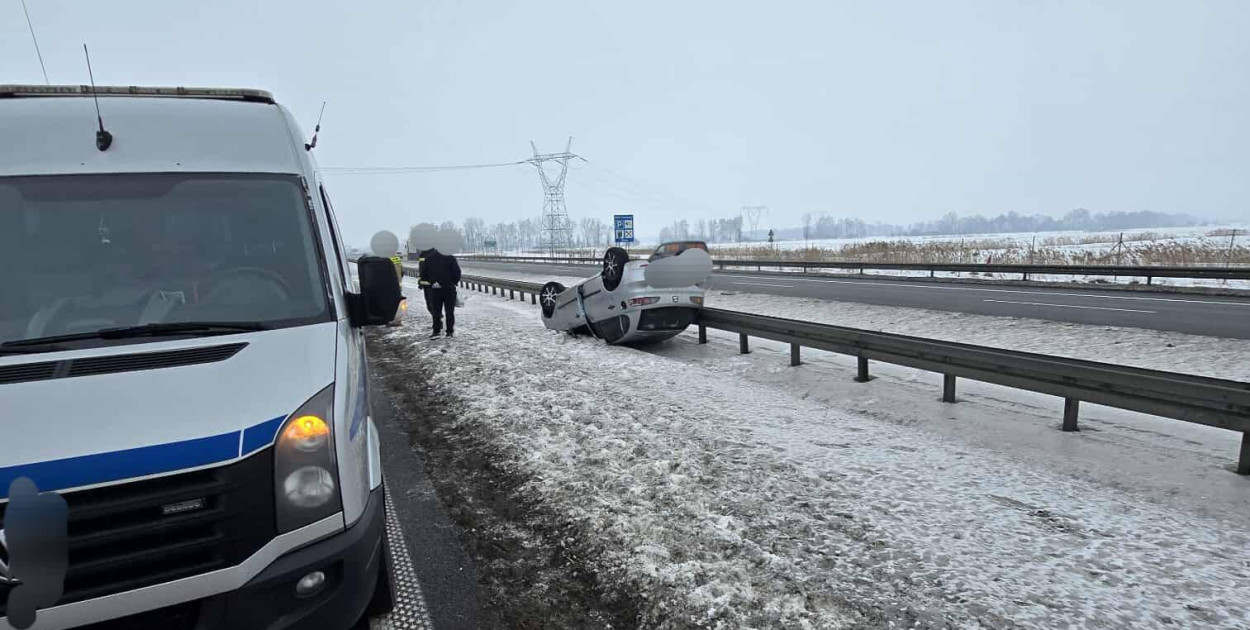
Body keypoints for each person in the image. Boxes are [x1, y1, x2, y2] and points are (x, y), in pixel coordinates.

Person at [417, 247, 462, 338]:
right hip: (448, 289)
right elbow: (457, 272)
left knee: (436, 311)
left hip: (434, 289)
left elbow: (424, 274)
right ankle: (449, 331)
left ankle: (436, 330)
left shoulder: (429, 258)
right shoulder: (450, 257)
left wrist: (432, 282)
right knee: (449, 311)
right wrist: (452, 283)